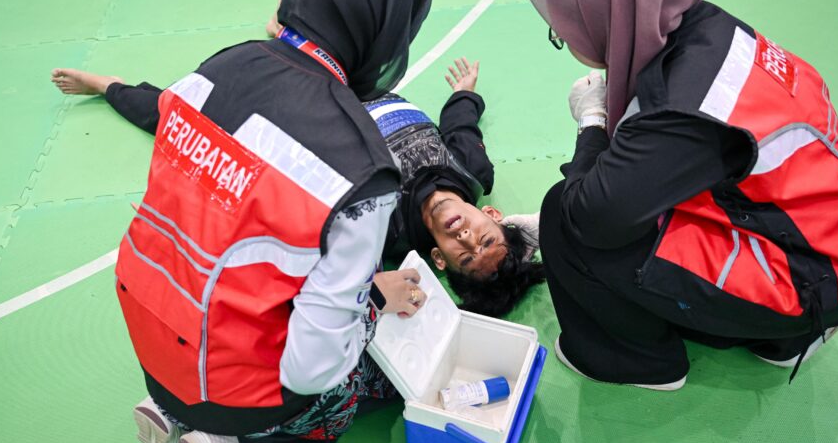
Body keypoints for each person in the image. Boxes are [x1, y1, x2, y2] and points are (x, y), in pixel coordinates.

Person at [53, 0, 434, 443]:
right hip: (237, 393)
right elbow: (310, 372)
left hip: (155, 341)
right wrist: (373, 300)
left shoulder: (219, 67)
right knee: (350, 389)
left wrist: (107, 84)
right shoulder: (361, 170)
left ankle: (172, 411)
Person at [523, 0, 838, 391]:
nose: (568, 39)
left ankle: (635, 361)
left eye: (564, 30)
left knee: (564, 217)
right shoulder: (710, 28)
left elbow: (592, 217)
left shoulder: (678, 107)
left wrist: (591, 123)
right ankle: (781, 337)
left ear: (605, 16)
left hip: (814, 278)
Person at [55, 53, 545, 318]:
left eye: (464, 256)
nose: (466, 238)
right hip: (361, 80)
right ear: (492, 215)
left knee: (196, 125)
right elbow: (461, 127)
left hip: (315, 108)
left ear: (438, 258)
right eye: (484, 239)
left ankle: (110, 86)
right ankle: (297, 39)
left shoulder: (381, 228)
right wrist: (465, 93)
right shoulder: (472, 173)